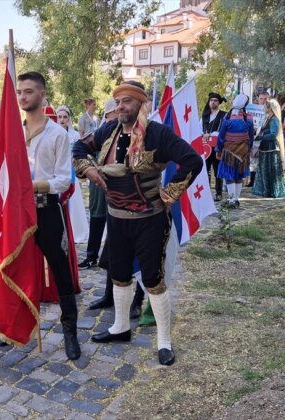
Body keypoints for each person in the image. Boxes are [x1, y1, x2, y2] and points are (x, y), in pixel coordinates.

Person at [73, 80, 203, 366]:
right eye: (117, 101)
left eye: (127, 102)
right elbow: (78, 148)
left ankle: (164, 341)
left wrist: (169, 194)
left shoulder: (158, 134)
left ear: (141, 104)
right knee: (119, 274)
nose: (120, 106)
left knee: (153, 280)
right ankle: (120, 327)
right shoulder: (108, 130)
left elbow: (193, 161)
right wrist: (89, 171)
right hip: (116, 219)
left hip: (150, 220)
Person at [17, 71, 80, 360]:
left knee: (60, 269)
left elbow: (63, 181)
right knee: (17, 267)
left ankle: (70, 331)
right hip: (19, 213)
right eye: (20, 91)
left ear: (42, 95)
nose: (22, 97)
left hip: (46, 211)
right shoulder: (12, 133)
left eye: (29, 91)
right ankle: (17, 325)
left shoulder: (58, 134)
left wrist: (34, 186)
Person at [84, 99, 118, 308]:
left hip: (130, 198)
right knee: (109, 239)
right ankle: (109, 294)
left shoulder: (143, 130)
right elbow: (81, 150)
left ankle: (136, 300)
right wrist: (89, 169)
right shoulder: (103, 130)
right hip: (103, 186)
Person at [56, 105, 88, 243]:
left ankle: (75, 231)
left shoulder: (74, 135)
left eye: (65, 117)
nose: (62, 120)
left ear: (68, 119)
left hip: (70, 171)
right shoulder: (53, 133)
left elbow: (78, 154)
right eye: (60, 117)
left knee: (73, 202)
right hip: (56, 172)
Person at [215, 94, 254, 209]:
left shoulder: (227, 118)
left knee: (229, 175)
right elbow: (251, 136)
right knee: (239, 176)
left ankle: (231, 200)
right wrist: (249, 148)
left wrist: (218, 149)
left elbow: (221, 137)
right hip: (243, 152)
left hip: (228, 152)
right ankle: (236, 199)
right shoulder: (249, 118)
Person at [251, 99, 285, 198]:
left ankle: (272, 190)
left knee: (270, 169)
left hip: (271, 147)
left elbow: (273, 134)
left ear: (270, 108)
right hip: (265, 146)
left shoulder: (274, 119)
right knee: (264, 169)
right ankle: (265, 189)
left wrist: (261, 136)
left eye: (265, 106)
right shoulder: (267, 118)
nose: (264, 108)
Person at [201, 92, 227, 201]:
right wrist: (203, 134)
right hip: (205, 147)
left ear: (219, 102)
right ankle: (206, 192)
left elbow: (222, 131)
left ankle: (218, 193)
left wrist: (210, 134)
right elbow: (199, 129)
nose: (213, 102)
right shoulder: (205, 115)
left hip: (217, 147)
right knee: (205, 170)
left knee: (217, 170)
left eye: (215, 100)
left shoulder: (223, 115)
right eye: (211, 100)